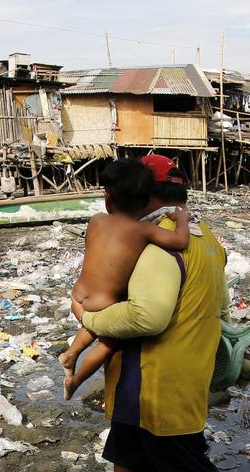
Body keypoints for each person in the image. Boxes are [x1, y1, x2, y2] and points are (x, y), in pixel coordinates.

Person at [77, 153, 250, 472]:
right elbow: (220, 306)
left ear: (145, 193)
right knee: (127, 438)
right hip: (179, 367)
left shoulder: (153, 245)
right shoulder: (206, 239)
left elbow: (148, 317)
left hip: (157, 375)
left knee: (184, 464)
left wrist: (91, 320)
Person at [59, 159, 191, 400]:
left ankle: (73, 352)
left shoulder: (96, 221)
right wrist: (182, 220)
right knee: (109, 343)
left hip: (78, 297)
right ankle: (76, 380)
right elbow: (181, 242)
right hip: (103, 304)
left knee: (89, 325)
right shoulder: (143, 231)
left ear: (108, 198)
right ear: (146, 202)